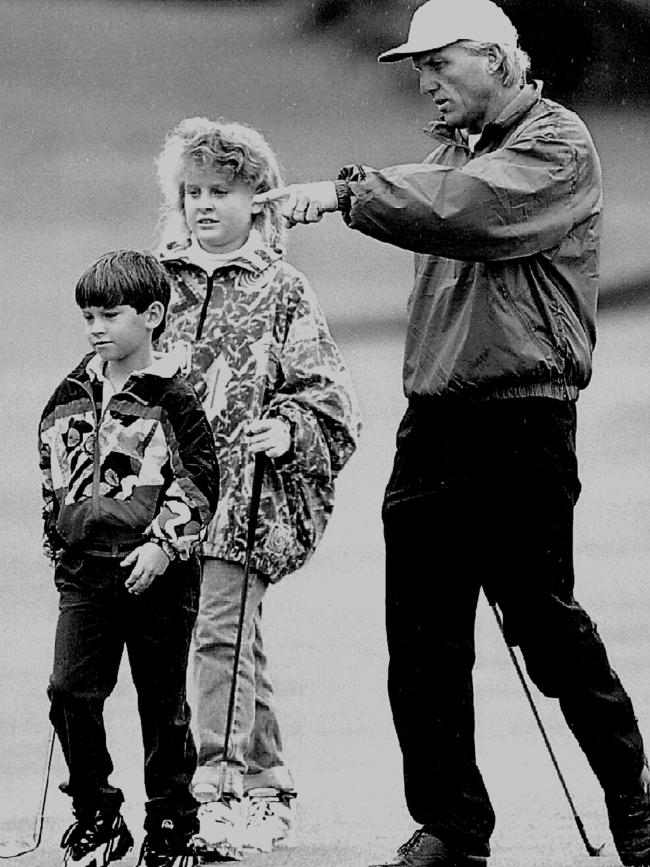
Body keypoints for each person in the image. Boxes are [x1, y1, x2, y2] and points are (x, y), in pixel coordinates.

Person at [252, 0, 650, 865]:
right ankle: (452, 827)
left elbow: (470, 208)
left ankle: (634, 801)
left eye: (439, 65)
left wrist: (343, 192)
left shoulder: (556, 145)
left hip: (523, 419)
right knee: (424, 642)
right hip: (434, 427)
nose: (426, 83)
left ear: (499, 61)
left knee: (546, 627)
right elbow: (440, 196)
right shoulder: (447, 160)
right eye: (419, 70)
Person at [153, 116, 361, 860]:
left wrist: (290, 428)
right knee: (228, 639)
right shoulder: (158, 284)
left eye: (223, 190)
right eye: (194, 191)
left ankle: (220, 791)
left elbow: (332, 399)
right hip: (167, 506)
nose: (205, 204)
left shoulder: (281, 289)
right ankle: (271, 787)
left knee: (217, 636)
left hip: (249, 501)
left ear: (258, 198)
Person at [39, 250, 220, 867]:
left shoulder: (173, 398)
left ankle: (172, 822)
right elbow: (52, 474)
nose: (95, 327)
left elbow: (198, 481)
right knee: (70, 692)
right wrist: (58, 542)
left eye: (109, 315)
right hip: (86, 571)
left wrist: (165, 546)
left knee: (160, 702)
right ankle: (96, 813)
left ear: (152, 315)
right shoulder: (68, 394)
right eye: (87, 315)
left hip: (157, 573)